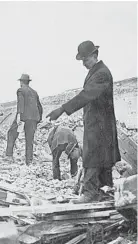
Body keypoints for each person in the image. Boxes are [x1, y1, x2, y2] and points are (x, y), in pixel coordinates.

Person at [46, 41, 121, 203]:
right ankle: (105, 191)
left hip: (100, 124)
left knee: (93, 157)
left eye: (85, 60)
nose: (83, 64)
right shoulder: (96, 71)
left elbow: (87, 95)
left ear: (94, 56)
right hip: (97, 123)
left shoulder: (101, 73)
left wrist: (62, 109)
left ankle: (90, 193)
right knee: (101, 158)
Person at [6, 74, 43, 165]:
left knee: (11, 133)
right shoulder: (34, 92)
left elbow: (20, 103)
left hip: (23, 117)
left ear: (21, 82)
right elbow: (39, 106)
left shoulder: (20, 90)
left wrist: (19, 116)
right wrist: (39, 119)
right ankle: (29, 161)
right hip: (34, 118)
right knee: (29, 139)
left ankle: (9, 155)